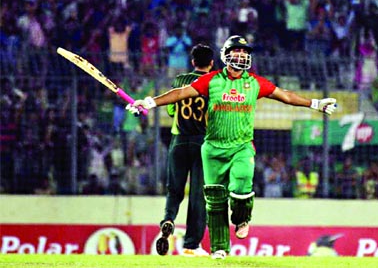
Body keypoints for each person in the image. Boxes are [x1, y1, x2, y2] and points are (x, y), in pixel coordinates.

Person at [127, 35, 337, 260]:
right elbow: (180, 93)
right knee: (214, 201)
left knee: (241, 183)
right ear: (226, 55)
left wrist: (315, 104)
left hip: (241, 147)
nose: (242, 56)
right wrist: (149, 102)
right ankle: (219, 248)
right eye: (237, 52)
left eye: (245, 53)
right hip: (212, 149)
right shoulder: (212, 80)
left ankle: (241, 218)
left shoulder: (255, 82)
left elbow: (284, 95)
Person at [154, 44, 214, 257]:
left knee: (174, 189)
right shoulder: (214, 83)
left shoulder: (180, 81)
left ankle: (168, 219)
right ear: (212, 63)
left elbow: (171, 109)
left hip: (178, 141)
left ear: (192, 62)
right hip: (202, 143)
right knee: (198, 195)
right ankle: (191, 244)